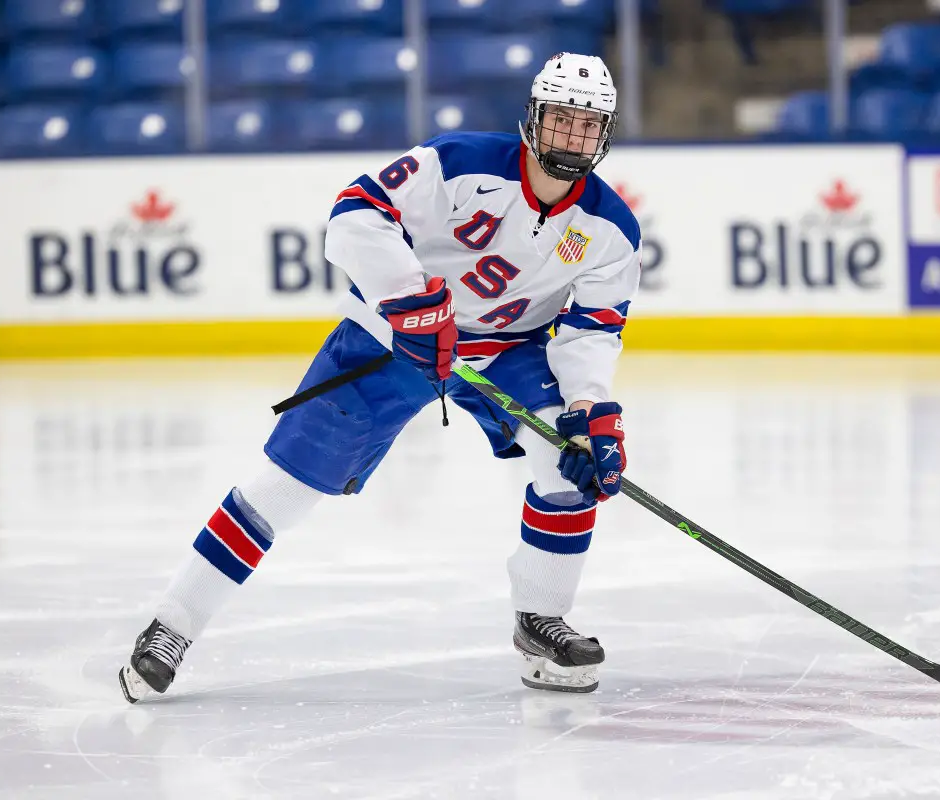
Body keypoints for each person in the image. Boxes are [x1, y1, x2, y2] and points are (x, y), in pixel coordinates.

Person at [118, 52, 641, 701]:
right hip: (389, 339)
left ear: (605, 134)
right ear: (533, 120)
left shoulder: (610, 230)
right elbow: (355, 213)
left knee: (567, 463)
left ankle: (542, 619)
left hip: (506, 351)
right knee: (283, 486)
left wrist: (590, 412)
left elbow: (592, 332)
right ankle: (173, 623)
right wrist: (409, 298)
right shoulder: (459, 162)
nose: (573, 137)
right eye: (562, 120)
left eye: (588, 126)